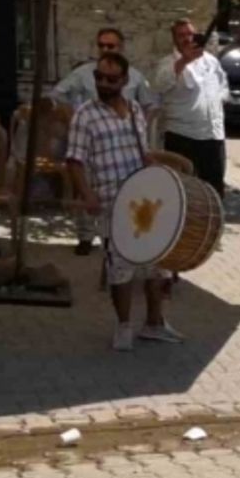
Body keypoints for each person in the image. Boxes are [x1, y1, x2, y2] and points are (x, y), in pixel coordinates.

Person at [67, 52, 183, 352]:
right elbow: (75, 161)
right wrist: (87, 194)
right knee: (121, 269)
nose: (103, 84)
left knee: (157, 264)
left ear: (124, 80)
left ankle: (155, 323)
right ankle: (123, 326)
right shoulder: (85, 114)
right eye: (99, 78)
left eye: (111, 79)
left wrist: (158, 172)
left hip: (143, 199)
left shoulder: (134, 110)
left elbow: (143, 152)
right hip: (111, 201)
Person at [52, 27, 155, 256]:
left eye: (111, 46)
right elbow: (57, 95)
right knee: (91, 194)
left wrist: (140, 128)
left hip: (126, 149)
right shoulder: (83, 73)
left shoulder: (136, 79)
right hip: (92, 141)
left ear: (121, 48)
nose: (105, 49)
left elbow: (150, 104)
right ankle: (86, 237)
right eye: (101, 45)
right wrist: (72, 116)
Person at [154, 19, 229, 197]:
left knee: (213, 191)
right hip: (183, 136)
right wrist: (184, 61)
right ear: (174, 40)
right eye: (181, 35)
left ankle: (211, 225)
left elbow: (223, 89)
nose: (187, 39)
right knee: (181, 191)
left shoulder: (211, 62)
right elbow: (160, 84)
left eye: (190, 34)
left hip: (213, 135)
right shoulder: (167, 63)